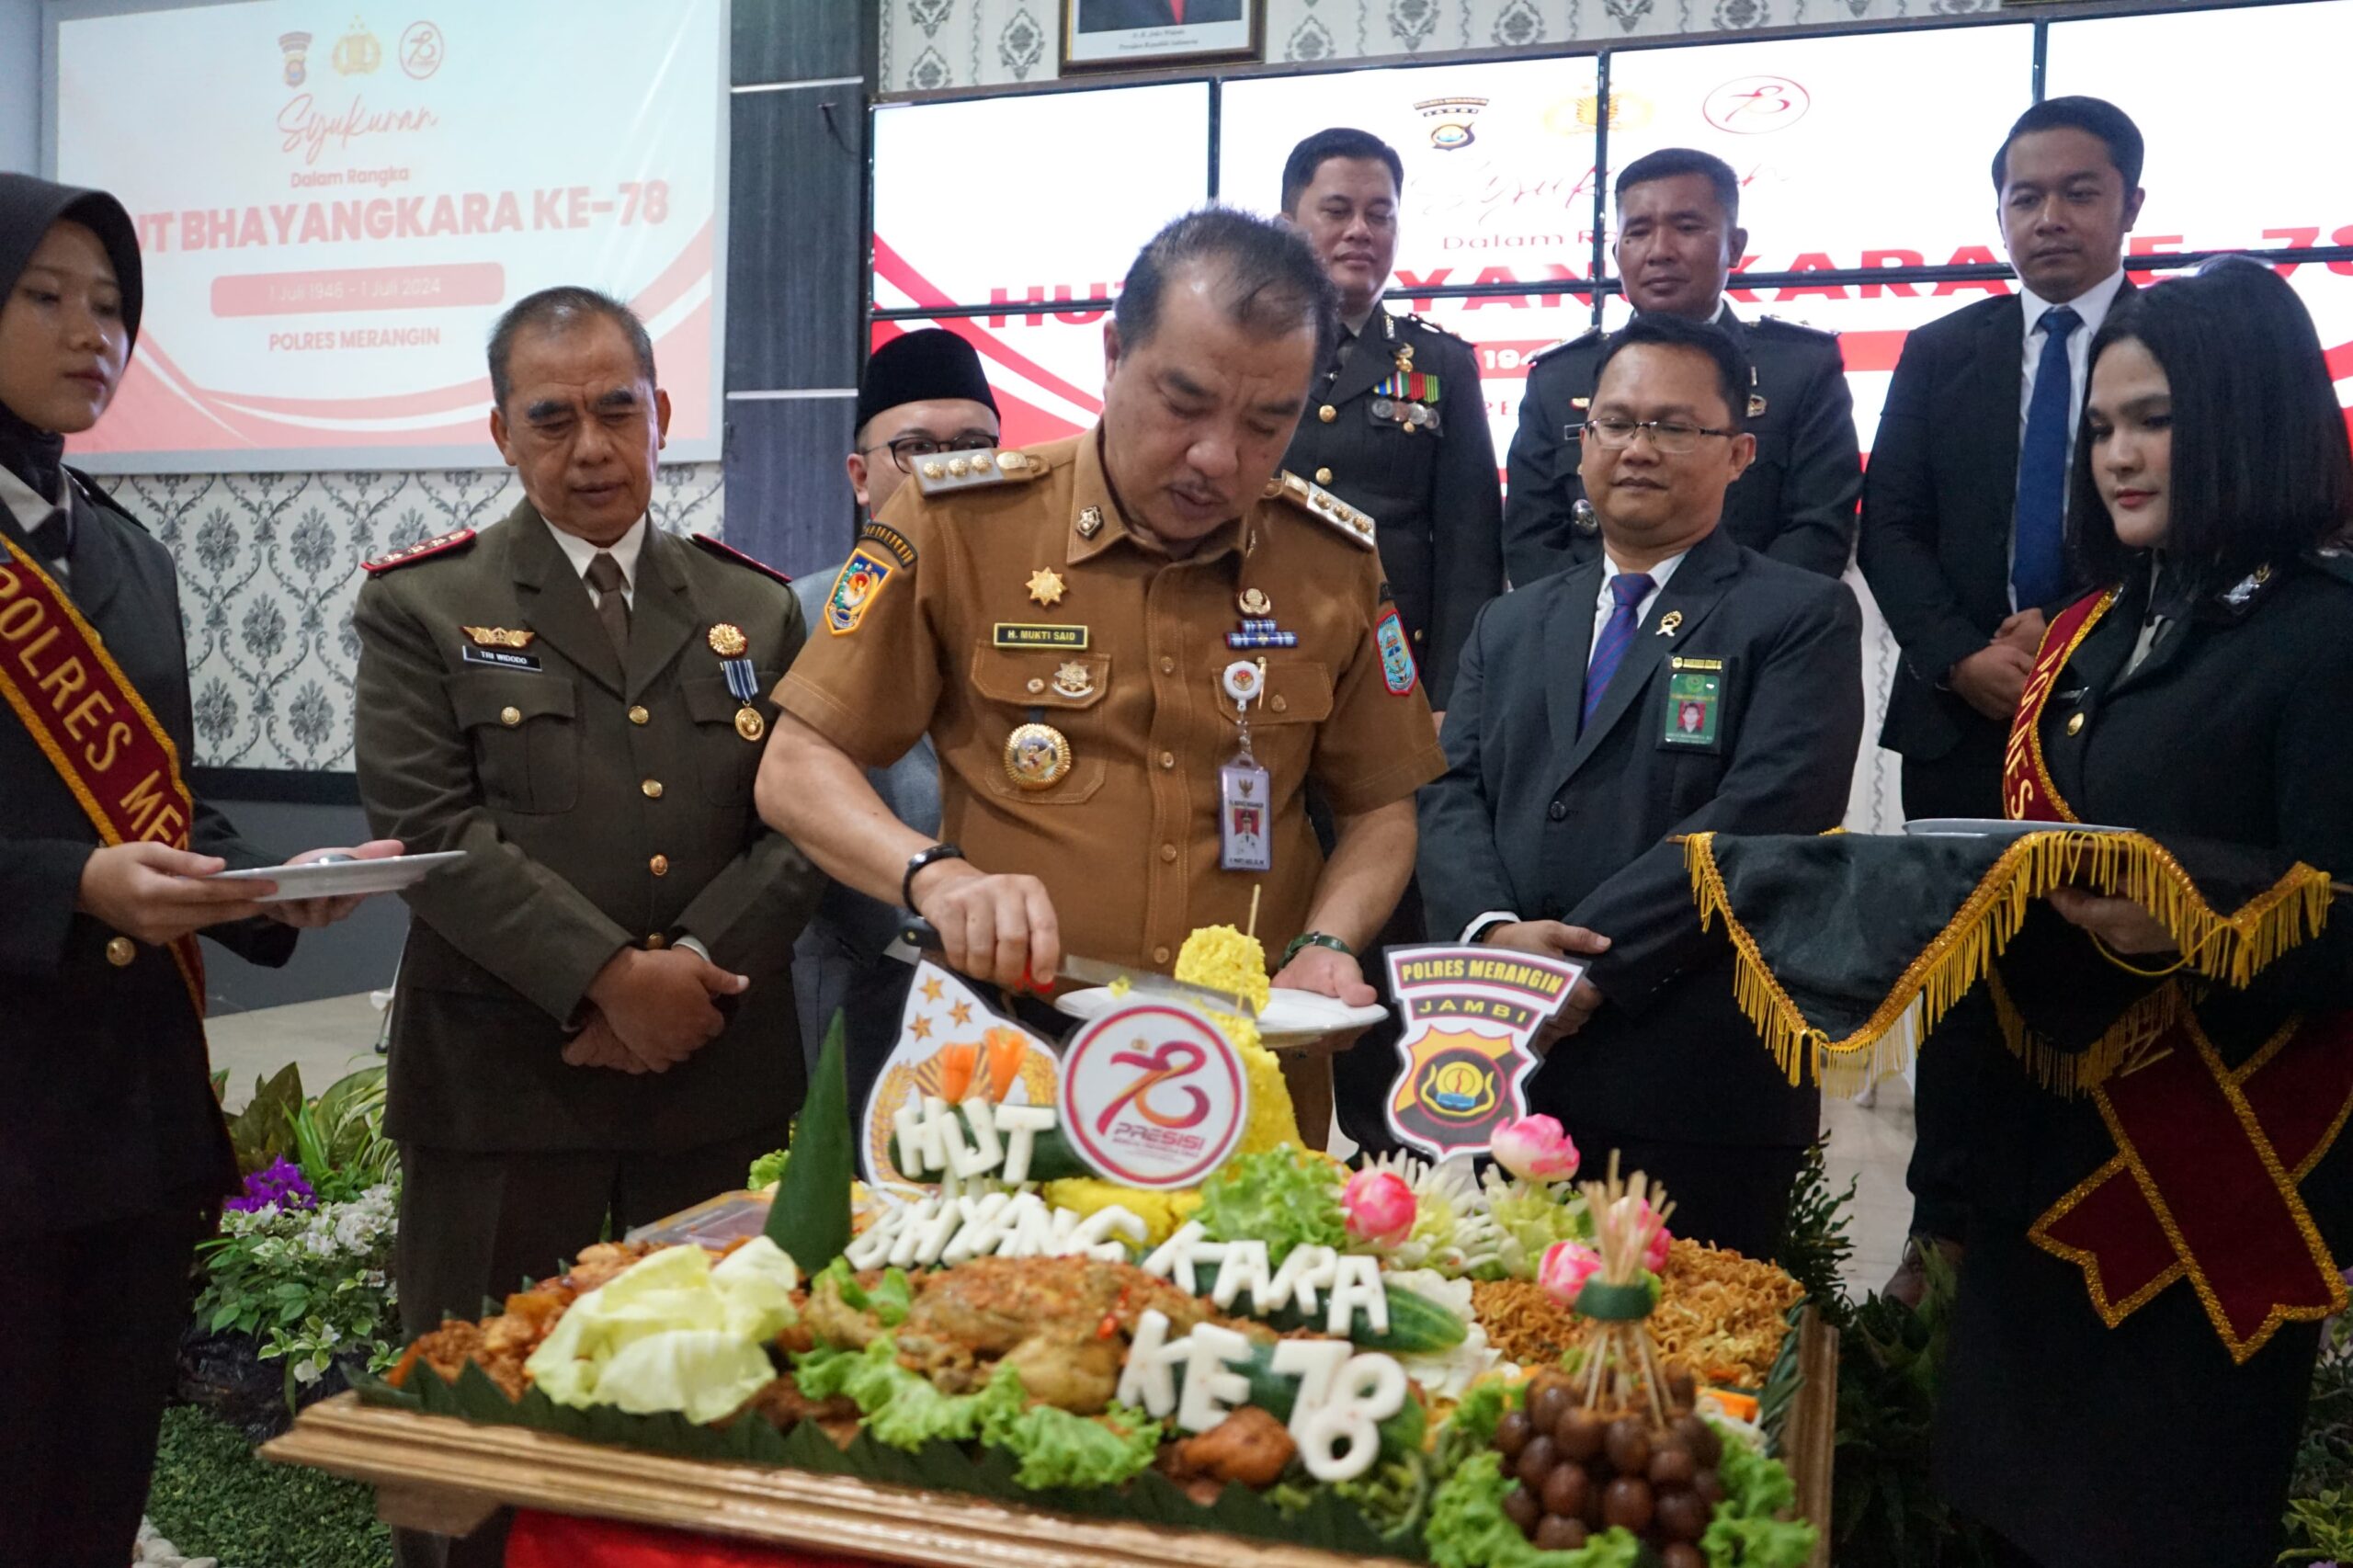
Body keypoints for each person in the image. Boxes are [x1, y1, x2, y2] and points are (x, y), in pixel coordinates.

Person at [758, 208, 1447, 1145]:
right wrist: (935, 877)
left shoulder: (1330, 561)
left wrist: (1328, 941)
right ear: (1115, 353)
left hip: (1244, 1077)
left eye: (1265, 422)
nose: (1218, 457)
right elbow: (796, 766)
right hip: (1010, 1065)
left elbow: (1380, 807)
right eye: (1185, 402)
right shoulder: (961, 522)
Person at [353, 287, 821, 1568]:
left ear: (663, 414)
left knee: (701, 1425)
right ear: (501, 432)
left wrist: (688, 983)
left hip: (715, 1083)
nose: (592, 448)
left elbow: (801, 821)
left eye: (619, 410)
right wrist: (608, 978)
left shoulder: (755, 607)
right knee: (481, 1426)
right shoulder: (424, 608)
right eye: (551, 419)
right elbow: (429, 826)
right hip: (506, 1090)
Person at [1932, 260, 2353, 1568]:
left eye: (2155, 418)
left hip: (2205, 1186)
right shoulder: (2086, 634)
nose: (2118, 454)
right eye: (2103, 424)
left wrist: (2194, 921)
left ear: (2250, 412)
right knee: (2003, 1517)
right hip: (2029, 1160)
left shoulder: (2324, 637)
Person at [0, 173, 394, 1568]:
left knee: (94, 1485)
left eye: (113, 305)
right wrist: (69, 887)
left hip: (129, 1116)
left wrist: (282, 885)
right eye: (45, 294)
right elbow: (89, 852)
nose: (89, 331)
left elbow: (163, 801)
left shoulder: (126, 550)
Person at [1418, 312, 1862, 1258]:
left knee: (1691, 1383)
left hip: (1694, 1079)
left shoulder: (1798, 614)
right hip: (1518, 1067)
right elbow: (1449, 790)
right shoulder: (1509, 622)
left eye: (1672, 425)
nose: (1636, 447)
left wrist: (1586, 967)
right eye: (1613, 423)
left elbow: (1771, 811)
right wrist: (1494, 940)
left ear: (1739, 451)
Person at [1858, 97, 2146, 1294]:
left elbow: (2187, 513)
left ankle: (2096, 1237)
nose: (2050, 218)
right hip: (1964, 719)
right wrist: (1957, 655)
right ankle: (1947, 1234)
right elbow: (1892, 526)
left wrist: (2072, 654)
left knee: (2101, 974)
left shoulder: (2171, 345)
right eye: (2025, 196)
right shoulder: (1944, 349)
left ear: (2132, 203)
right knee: (1964, 994)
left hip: (2122, 717)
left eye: (2079, 192)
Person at [1275, 126, 1504, 1153]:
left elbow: (1467, 543)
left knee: (1388, 922)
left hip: (1390, 693)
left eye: (1380, 213)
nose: (1361, 231)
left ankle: (1387, 1147)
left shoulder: (1438, 364)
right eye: (1338, 210)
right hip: (1263, 679)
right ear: (1291, 219)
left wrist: (1448, 694)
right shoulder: (1257, 346)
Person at [790, 327, 999, 1113]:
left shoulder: (1049, 610)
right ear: (859, 474)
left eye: (973, 444)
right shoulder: (798, 613)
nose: (946, 469)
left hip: (1020, 986)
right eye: (913, 447)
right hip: (861, 982)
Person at [1504, 148, 1859, 587]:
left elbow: (1819, 530)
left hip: (1751, 641)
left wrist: (1713, 632)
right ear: (1616, 251)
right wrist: (1603, 626)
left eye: (1686, 228)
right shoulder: (1559, 378)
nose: (1659, 252)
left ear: (1735, 245)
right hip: (1592, 640)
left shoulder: (1800, 369)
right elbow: (1530, 540)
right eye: (1638, 232)